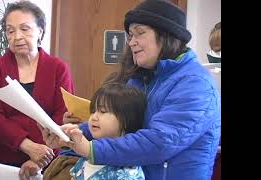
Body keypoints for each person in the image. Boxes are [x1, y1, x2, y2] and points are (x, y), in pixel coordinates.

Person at [45, 0, 221, 180]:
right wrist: (68, 136)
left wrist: (91, 149)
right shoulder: (140, 78)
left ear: (167, 35)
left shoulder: (196, 85)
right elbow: (118, 123)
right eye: (130, 35)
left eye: (140, 33)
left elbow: (160, 142)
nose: (131, 43)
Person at [0, 1, 74, 180]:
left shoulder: (58, 68)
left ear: (40, 31)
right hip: (0, 158)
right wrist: (29, 146)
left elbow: (62, 116)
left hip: (46, 161)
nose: (17, 36)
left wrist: (40, 159)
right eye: (10, 30)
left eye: (25, 29)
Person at [39, 82, 146, 179]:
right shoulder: (84, 160)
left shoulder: (128, 174)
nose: (94, 117)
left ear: (127, 120)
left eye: (103, 111)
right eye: (93, 111)